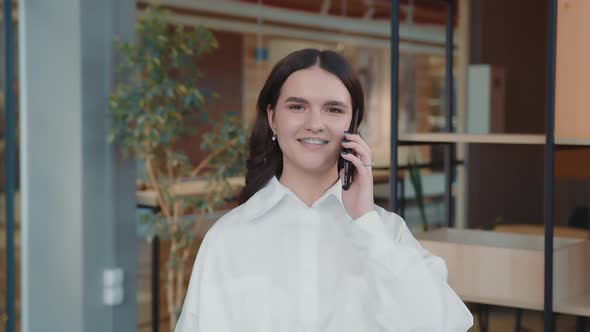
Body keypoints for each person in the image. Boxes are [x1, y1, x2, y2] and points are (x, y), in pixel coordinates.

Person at [175, 48, 473, 332]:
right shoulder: (228, 237)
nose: (315, 123)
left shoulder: (384, 231)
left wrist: (366, 223)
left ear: (353, 122)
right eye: (297, 106)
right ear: (272, 118)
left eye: (333, 109)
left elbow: (443, 323)